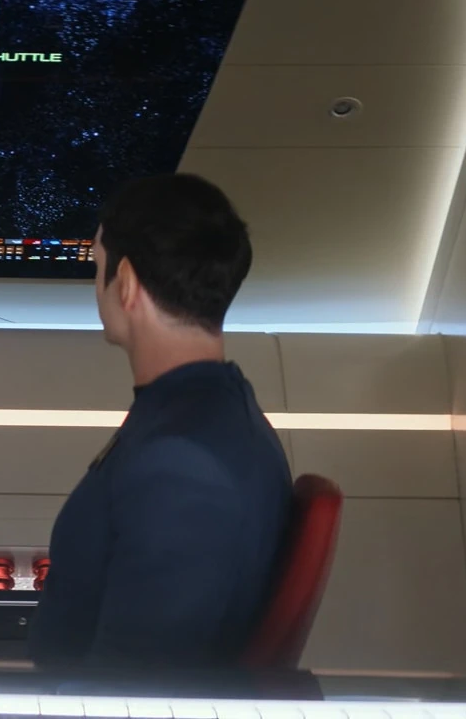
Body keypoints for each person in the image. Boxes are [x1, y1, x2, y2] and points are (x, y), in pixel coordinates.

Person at [29, 174, 293, 670]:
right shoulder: (213, 412)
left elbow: (133, 682)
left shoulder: (179, 460)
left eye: (98, 268)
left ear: (126, 283)